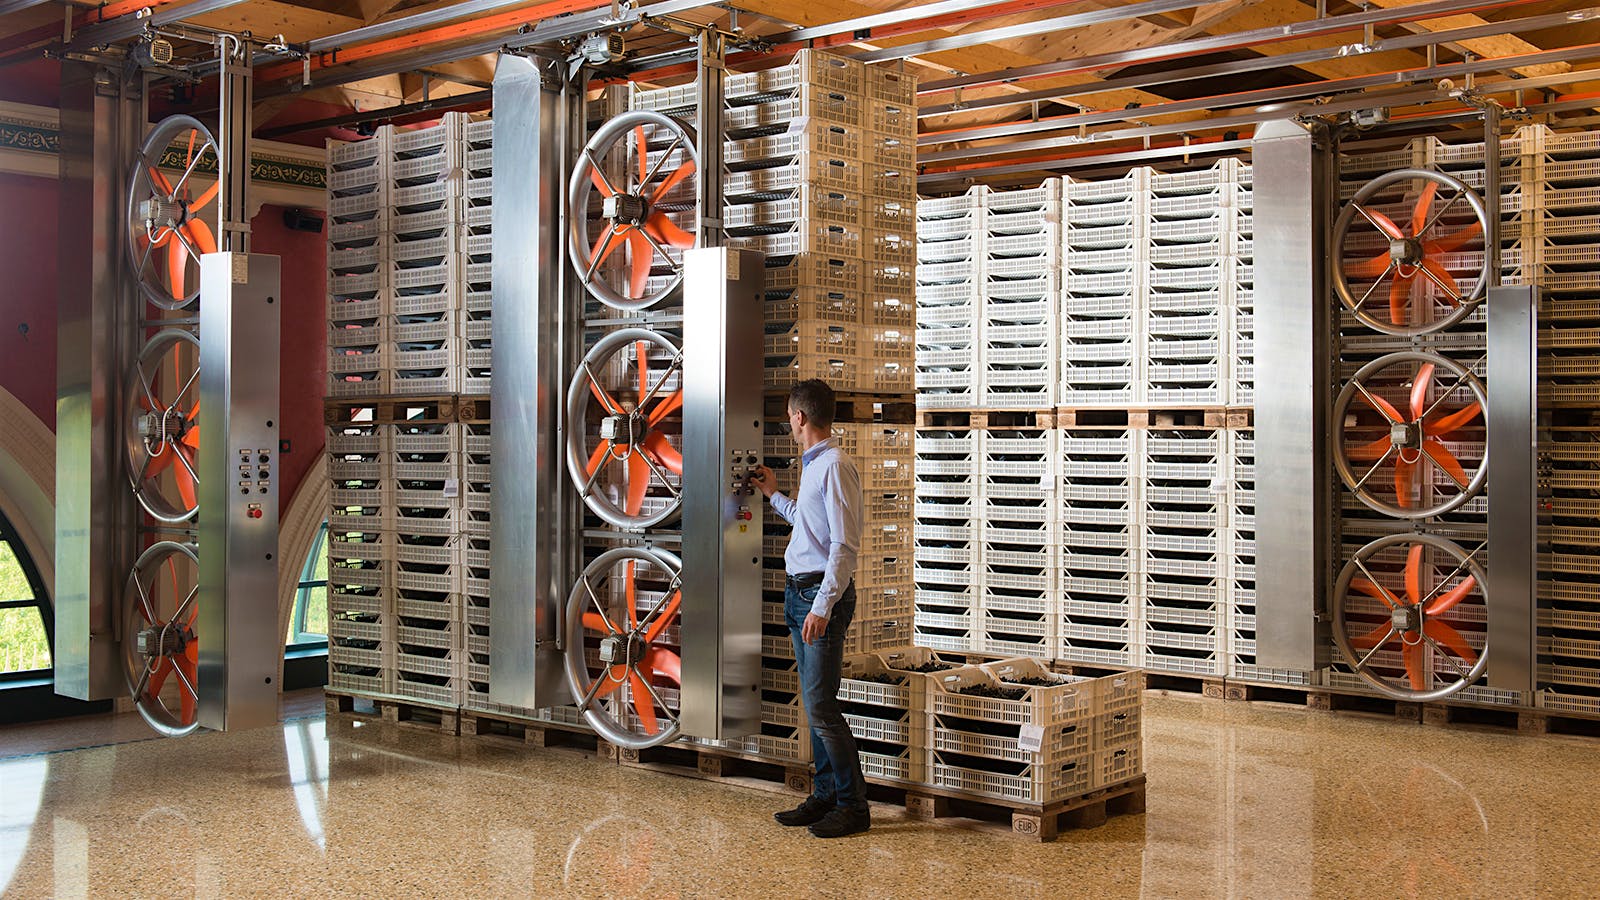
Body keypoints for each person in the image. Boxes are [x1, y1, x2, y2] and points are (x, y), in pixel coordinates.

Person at [746, 378, 869, 839]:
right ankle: (825, 797)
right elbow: (812, 529)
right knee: (816, 706)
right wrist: (775, 496)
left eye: (789, 416)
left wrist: (821, 606)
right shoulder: (816, 465)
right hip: (800, 595)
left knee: (821, 705)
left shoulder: (834, 466)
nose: (789, 423)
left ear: (799, 417)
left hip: (820, 599)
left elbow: (844, 545)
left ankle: (854, 805)